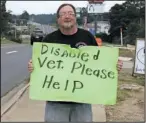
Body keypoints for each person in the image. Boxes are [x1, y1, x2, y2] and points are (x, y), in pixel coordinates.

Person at [28, 3, 123, 122]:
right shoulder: (49, 40)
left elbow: (98, 63)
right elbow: (40, 65)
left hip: (82, 102)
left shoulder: (87, 37)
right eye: (63, 14)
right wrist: (33, 67)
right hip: (55, 102)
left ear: (75, 17)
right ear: (58, 19)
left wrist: (113, 66)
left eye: (70, 13)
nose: (67, 16)